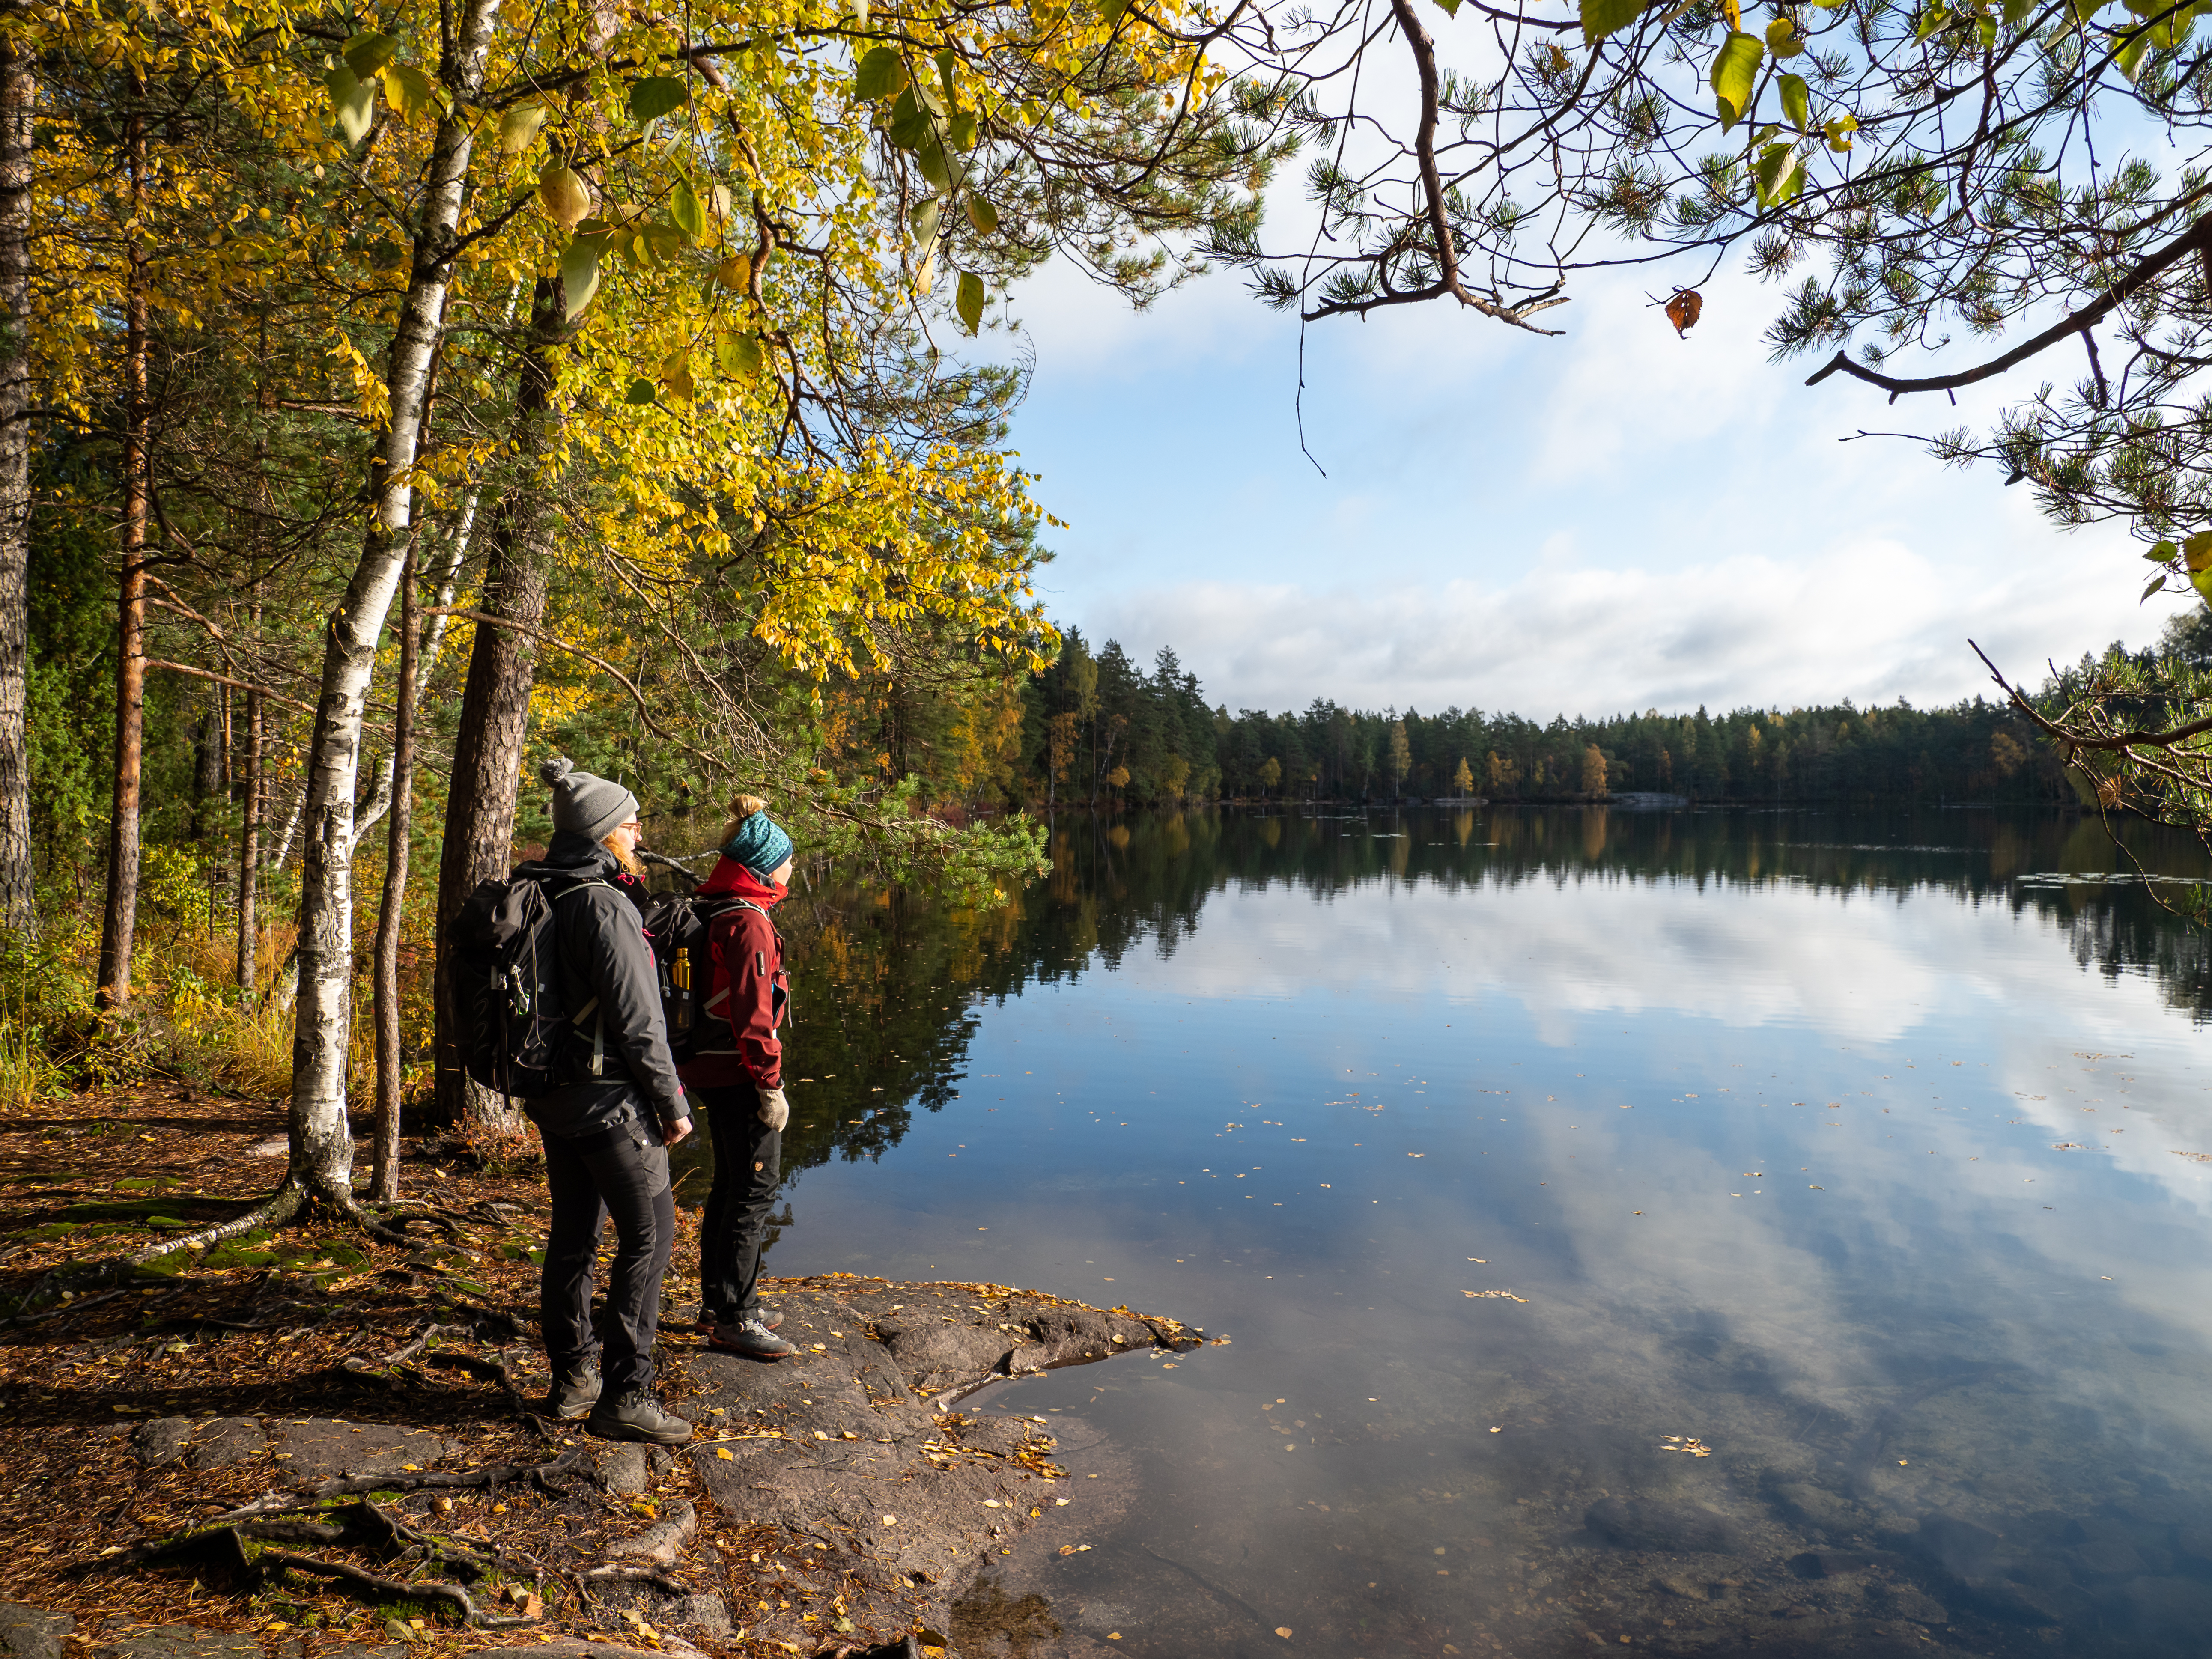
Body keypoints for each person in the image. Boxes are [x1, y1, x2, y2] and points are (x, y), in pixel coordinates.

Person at [525, 757, 695, 1443]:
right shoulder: (603, 902)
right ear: (602, 834)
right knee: (651, 1240)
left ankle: (573, 1380)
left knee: (574, 1236)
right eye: (630, 823)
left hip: (557, 1097)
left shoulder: (545, 886)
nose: (639, 832)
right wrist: (672, 1102)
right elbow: (638, 1019)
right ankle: (627, 1394)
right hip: (609, 1106)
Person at [680, 792, 799, 1361]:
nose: (792, 870)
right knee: (751, 1191)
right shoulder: (748, 924)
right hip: (736, 1074)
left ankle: (722, 1302)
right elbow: (754, 1015)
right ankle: (736, 1317)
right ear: (764, 867)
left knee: (730, 1187)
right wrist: (769, 1086)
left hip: (708, 1066)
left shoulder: (716, 908)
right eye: (787, 860)